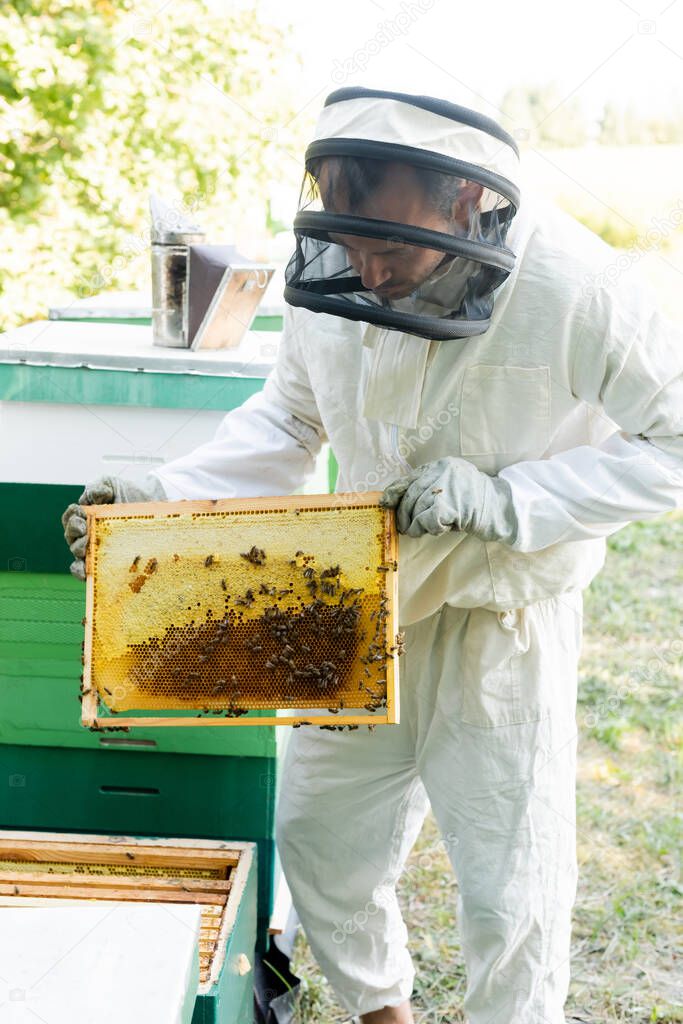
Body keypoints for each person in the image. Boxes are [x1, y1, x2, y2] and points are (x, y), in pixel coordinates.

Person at [63, 88, 683, 1024]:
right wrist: (163, 496)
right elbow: (289, 418)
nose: (369, 272)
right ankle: (381, 1015)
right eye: (353, 246)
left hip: (500, 622)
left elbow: (672, 440)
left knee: (508, 887)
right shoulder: (344, 271)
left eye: (391, 250)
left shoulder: (578, 287)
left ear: (467, 207)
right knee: (320, 843)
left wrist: (508, 501)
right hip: (352, 607)